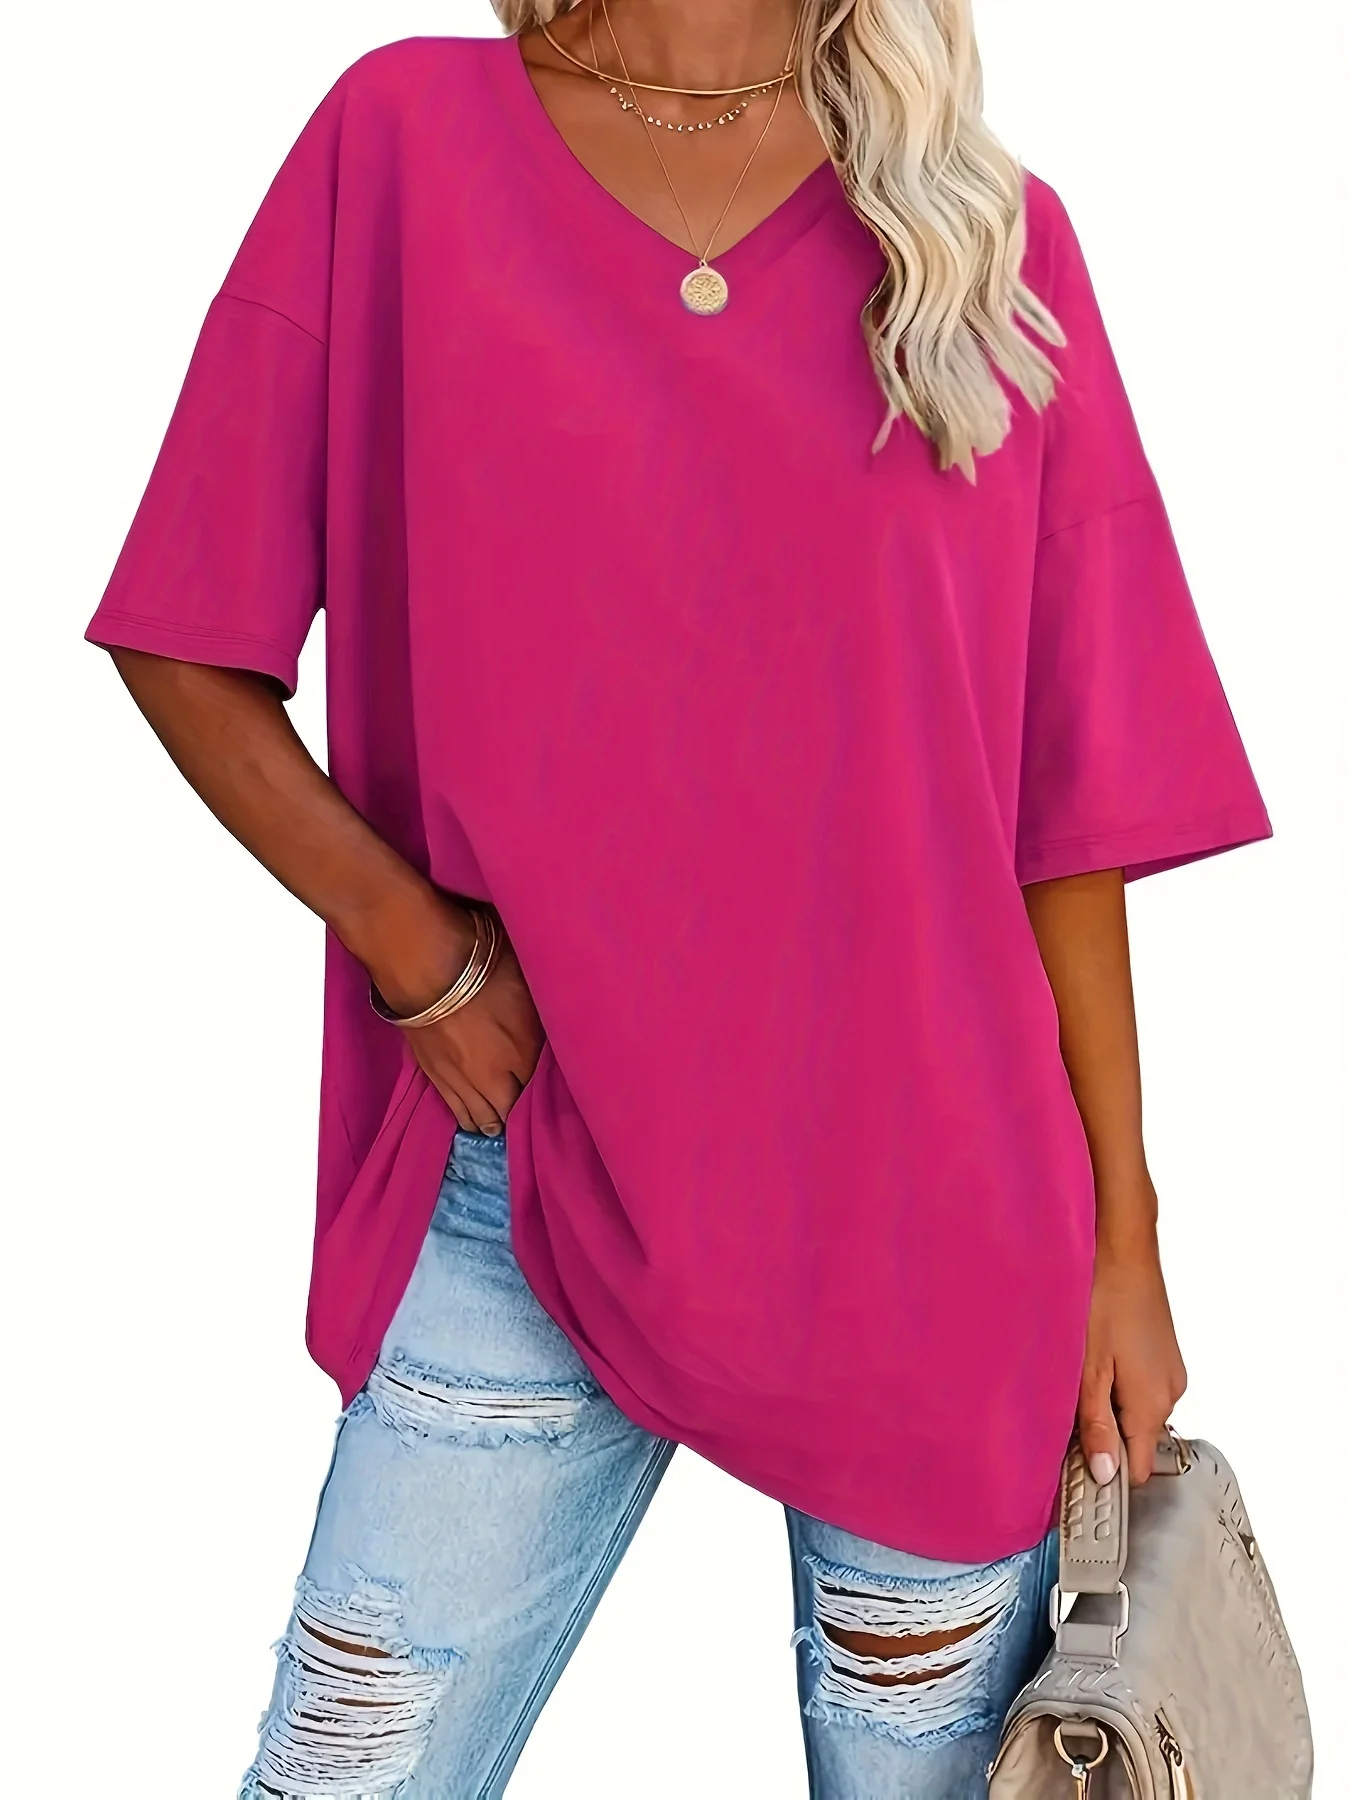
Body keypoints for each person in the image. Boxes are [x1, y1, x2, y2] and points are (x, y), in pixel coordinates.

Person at [86, 2, 1272, 1794]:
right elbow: (186, 630)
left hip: (933, 1228)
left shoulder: (977, 236)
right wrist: (414, 950)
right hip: (526, 1176)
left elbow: (1062, 814)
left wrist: (1128, 1239)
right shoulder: (401, 142)